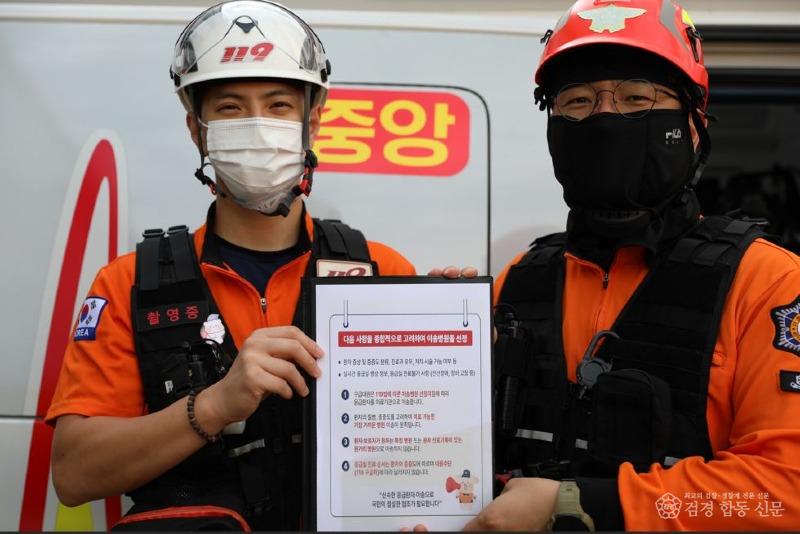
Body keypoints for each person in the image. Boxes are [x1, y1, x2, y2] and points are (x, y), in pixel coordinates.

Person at [46, 1, 414, 530]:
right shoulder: (129, 284)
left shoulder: (383, 270)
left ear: (312, 121)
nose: (258, 126)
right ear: (197, 130)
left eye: (279, 105)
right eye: (230, 108)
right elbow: (74, 474)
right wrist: (215, 405)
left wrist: (464, 332)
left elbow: (430, 444)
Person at [471, 0, 800, 531]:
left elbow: (786, 493)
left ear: (693, 125)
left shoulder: (769, 283)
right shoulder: (520, 278)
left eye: (637, 97)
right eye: (577, 101)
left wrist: (581, 504)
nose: (605, 118)